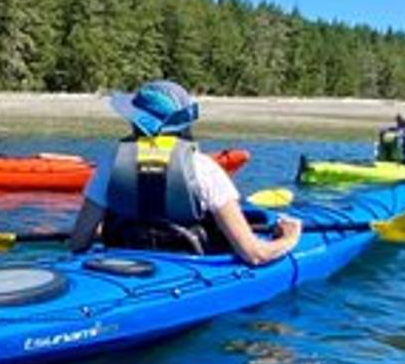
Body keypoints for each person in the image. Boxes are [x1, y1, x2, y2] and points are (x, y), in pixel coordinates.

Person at [68, 80, 300, 265]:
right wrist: (289, 238)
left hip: (122, 263)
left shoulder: (111, 164)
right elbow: (254, 254)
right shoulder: (204, 169)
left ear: (135, 122)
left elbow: (78, 243)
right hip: (192, 265)